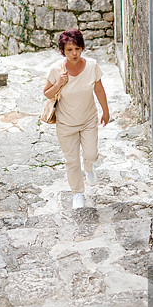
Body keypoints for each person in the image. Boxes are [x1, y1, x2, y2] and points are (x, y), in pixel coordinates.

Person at [43, 29, 110, 209]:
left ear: (82, 48)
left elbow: (99, 89)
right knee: (71, 161)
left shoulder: (92, 66)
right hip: (66, 124)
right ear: (63, 51)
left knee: (91, 154)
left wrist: (105, 111)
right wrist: (59, 83)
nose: (74, 53)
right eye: (69, 50)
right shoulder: (56, 70)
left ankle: (89, 168)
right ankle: (77, 193)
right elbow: (47, 93)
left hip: (88, 120)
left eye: (77, 49)